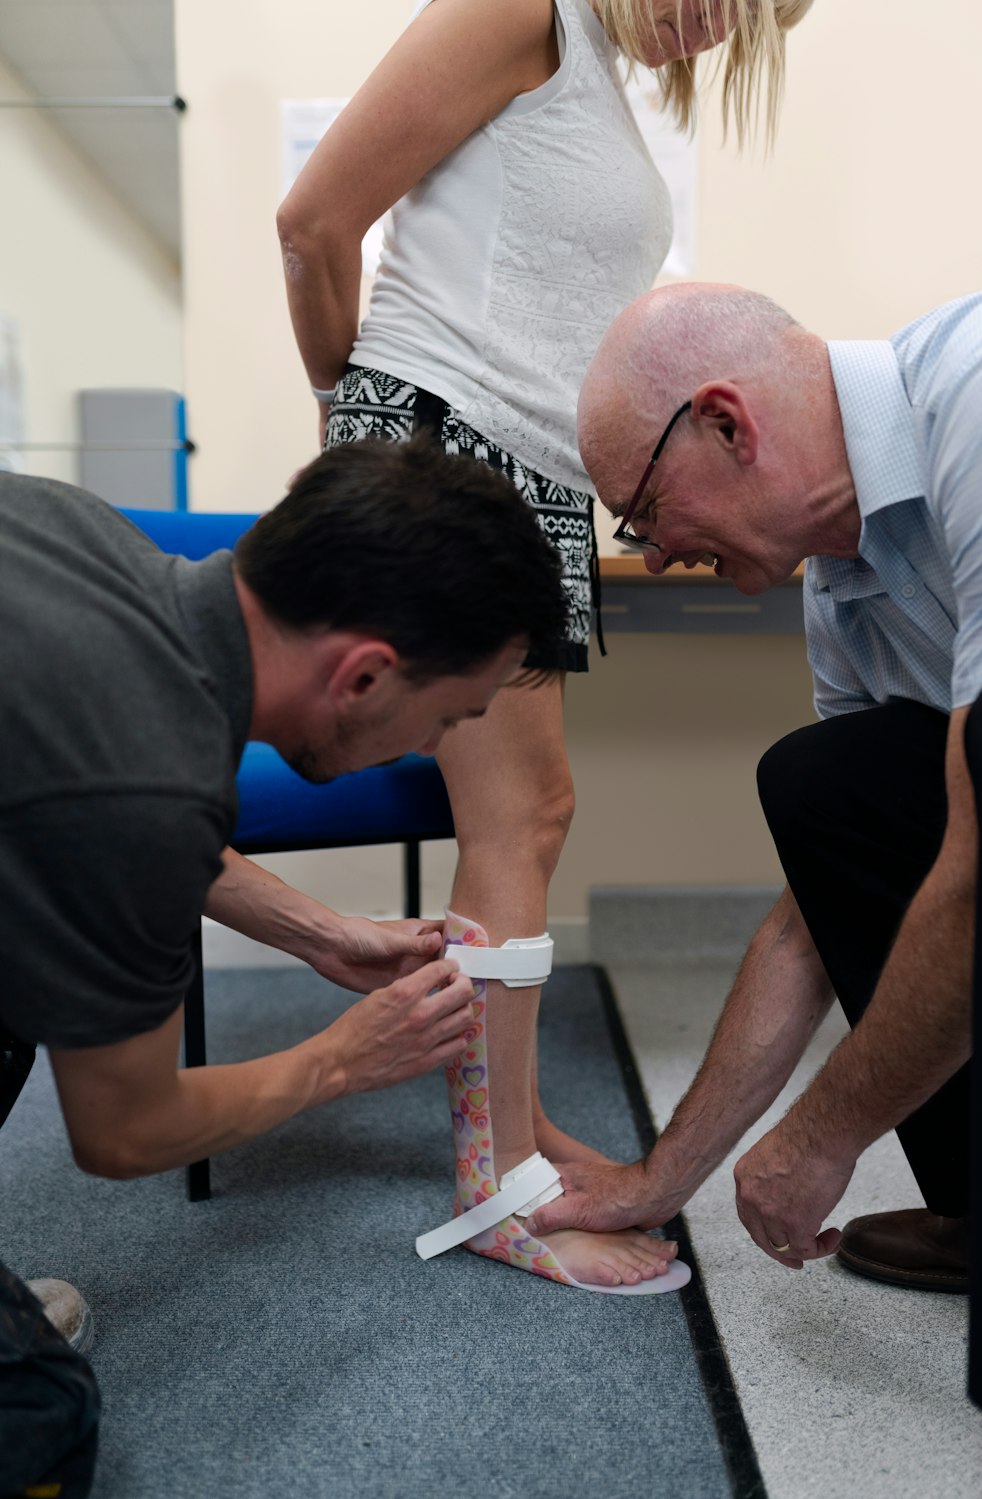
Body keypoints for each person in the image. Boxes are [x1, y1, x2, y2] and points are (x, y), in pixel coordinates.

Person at [277, 0, 812, 1291]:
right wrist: (364, 429)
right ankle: (499, 1182)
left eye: (750, 31)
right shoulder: (525, 7)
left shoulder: (600, 80)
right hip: (451, 444)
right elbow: (313, 222)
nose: (714, 38)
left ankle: (503, 1132)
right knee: (525, 815)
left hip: (528, 472)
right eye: (732, 4)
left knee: (530, 817)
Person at [0, 434, 578, 1495]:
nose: (426, 746)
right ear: (361, 672)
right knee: (41, 1417)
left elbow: (79, 804)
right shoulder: (149, 773)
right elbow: (123, 1131)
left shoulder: (72, 533)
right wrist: (344, 1061)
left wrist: (319, 931)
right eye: (446, 715)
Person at [519, 280, 982, 1411]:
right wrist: (658, 1176)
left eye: (642, 511)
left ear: (728, 423)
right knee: (827, 786)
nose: (657, 551)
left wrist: (823, 1136)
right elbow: (816, 914)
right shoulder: (847, 595)